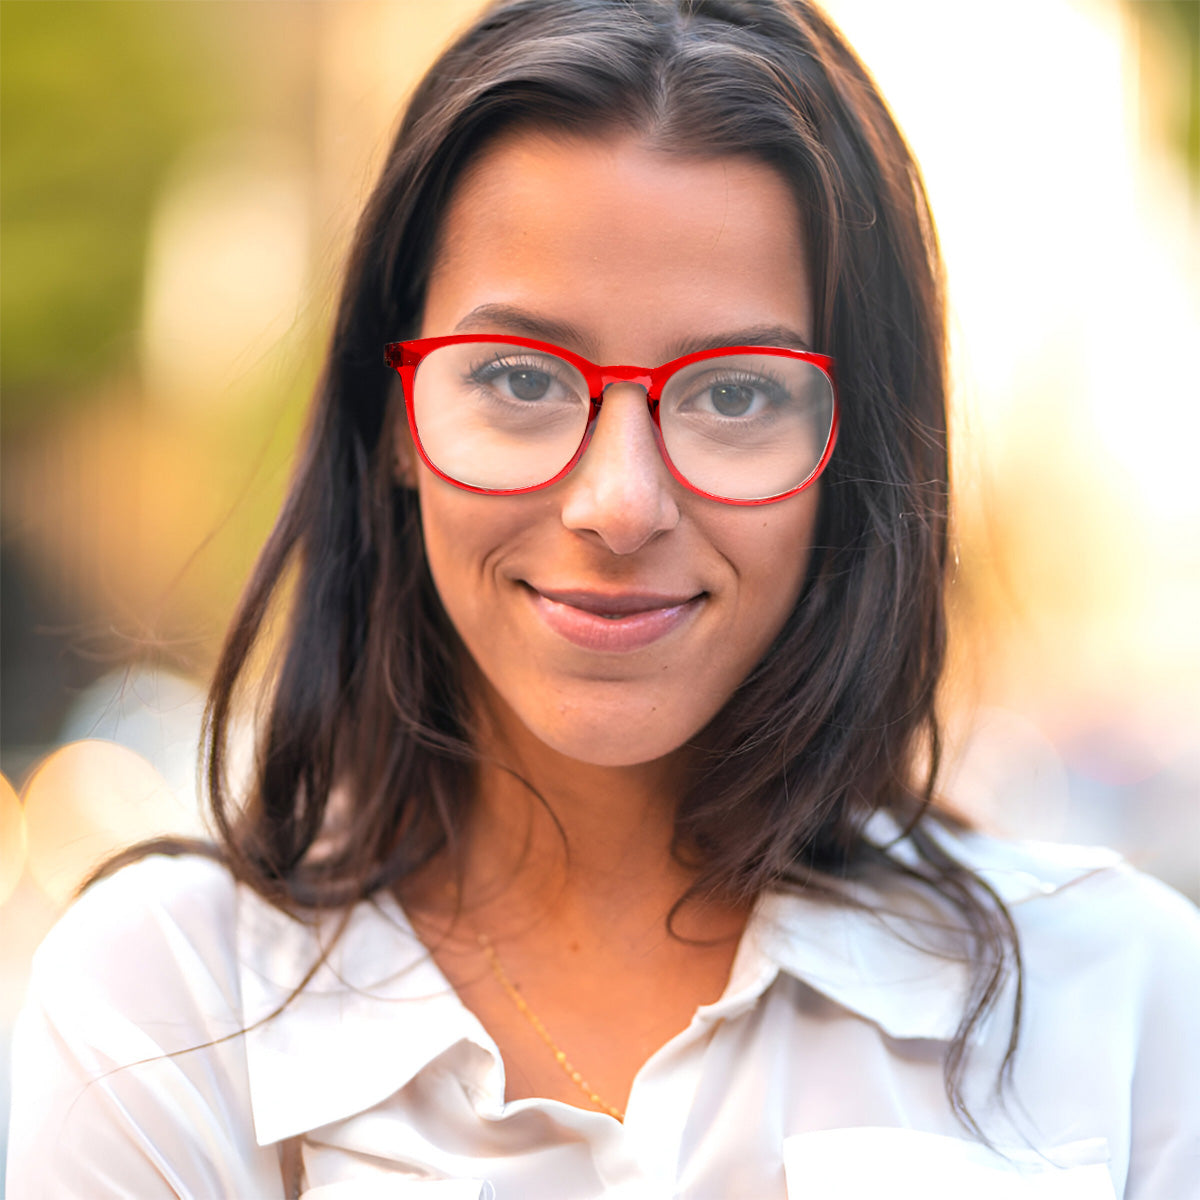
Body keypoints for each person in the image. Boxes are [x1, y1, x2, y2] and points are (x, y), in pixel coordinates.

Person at [7, 1, 1198, 1196]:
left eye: (734, 395)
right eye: (521, 379)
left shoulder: (1116, 1009)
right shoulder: (167, 1008)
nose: (619, 505)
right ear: (396, 422)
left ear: (855, 453)